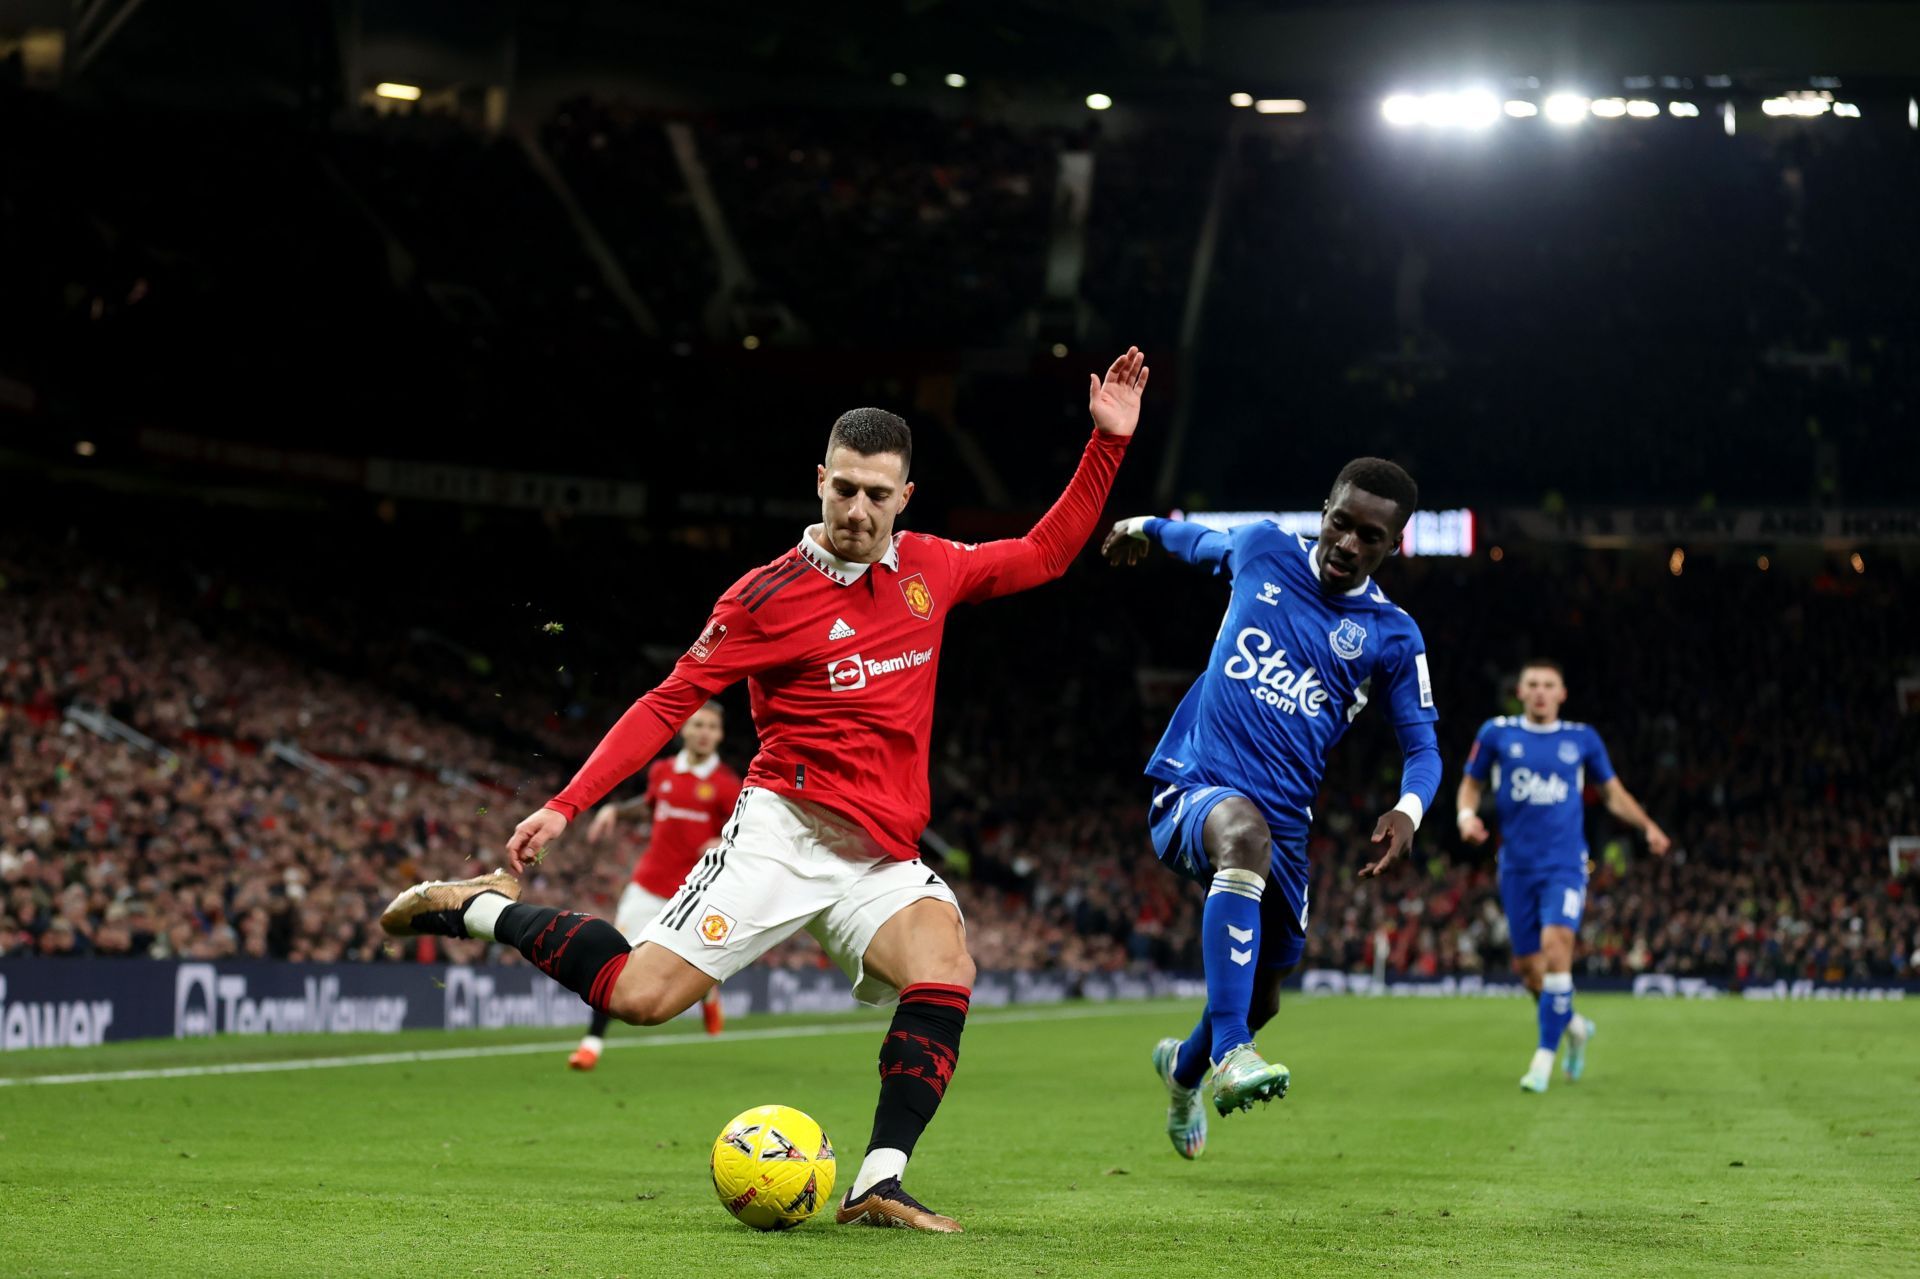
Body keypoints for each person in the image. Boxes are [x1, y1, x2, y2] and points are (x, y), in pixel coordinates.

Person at [381, 347, 1150, 1232]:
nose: (858, 510)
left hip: (879, 858)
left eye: (877, 494)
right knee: (638, 998)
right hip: (784, 833)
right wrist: (567, 802)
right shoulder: (763, 598)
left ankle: (878, 1182)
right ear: (820, 481)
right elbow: (667, 700)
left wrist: (1107, 443)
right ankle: (477, 906)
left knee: (945, 969)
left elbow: (1048, 553)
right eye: (844, 489)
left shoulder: (931, 570)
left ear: (906, 496)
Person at [1102, 458, 1442, 1160]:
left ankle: (1184, 1068)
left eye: (1369, 536)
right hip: (1195, 786)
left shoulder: (1393, 635)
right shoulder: (1262, 548)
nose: (1347, 542)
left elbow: (1424, 749)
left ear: (1393, 545)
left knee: (1266, 997)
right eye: (1340, 523)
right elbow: (1192, 539)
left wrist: (1408, 811)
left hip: (1286, 827)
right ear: (1324, 510)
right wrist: (1137, 526)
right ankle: (1231, 1051)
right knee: (1243, 836)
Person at [1456, 659, 1669, 1092]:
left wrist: (1647, 825)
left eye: (1548, 685)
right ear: (1520, 690)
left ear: (1562, 694)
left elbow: (1613, 794)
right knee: (1530, 971)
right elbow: (1471, 784)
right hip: (1515, 867)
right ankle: (1572, 1027)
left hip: (1566, 865)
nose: (1540, 691)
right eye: (1532, 684)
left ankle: (1543, 1059)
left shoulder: (1581, 739)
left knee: (1557, 948)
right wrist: (1465, 816)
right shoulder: (1496, 734)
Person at [567, 700, 741, 1068]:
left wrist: (724, 840)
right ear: (684, 731)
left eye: (712, 726)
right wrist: (615, 809)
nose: (704, 732)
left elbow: (748, 832)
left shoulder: (727, 785)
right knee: (616, 961)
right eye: (698, 725)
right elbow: (650, 804)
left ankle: (708, 994)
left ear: (720, 735)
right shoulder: (662, 771)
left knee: (694, 959)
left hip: (695, 890)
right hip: (647, 885)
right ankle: (591, 1044)